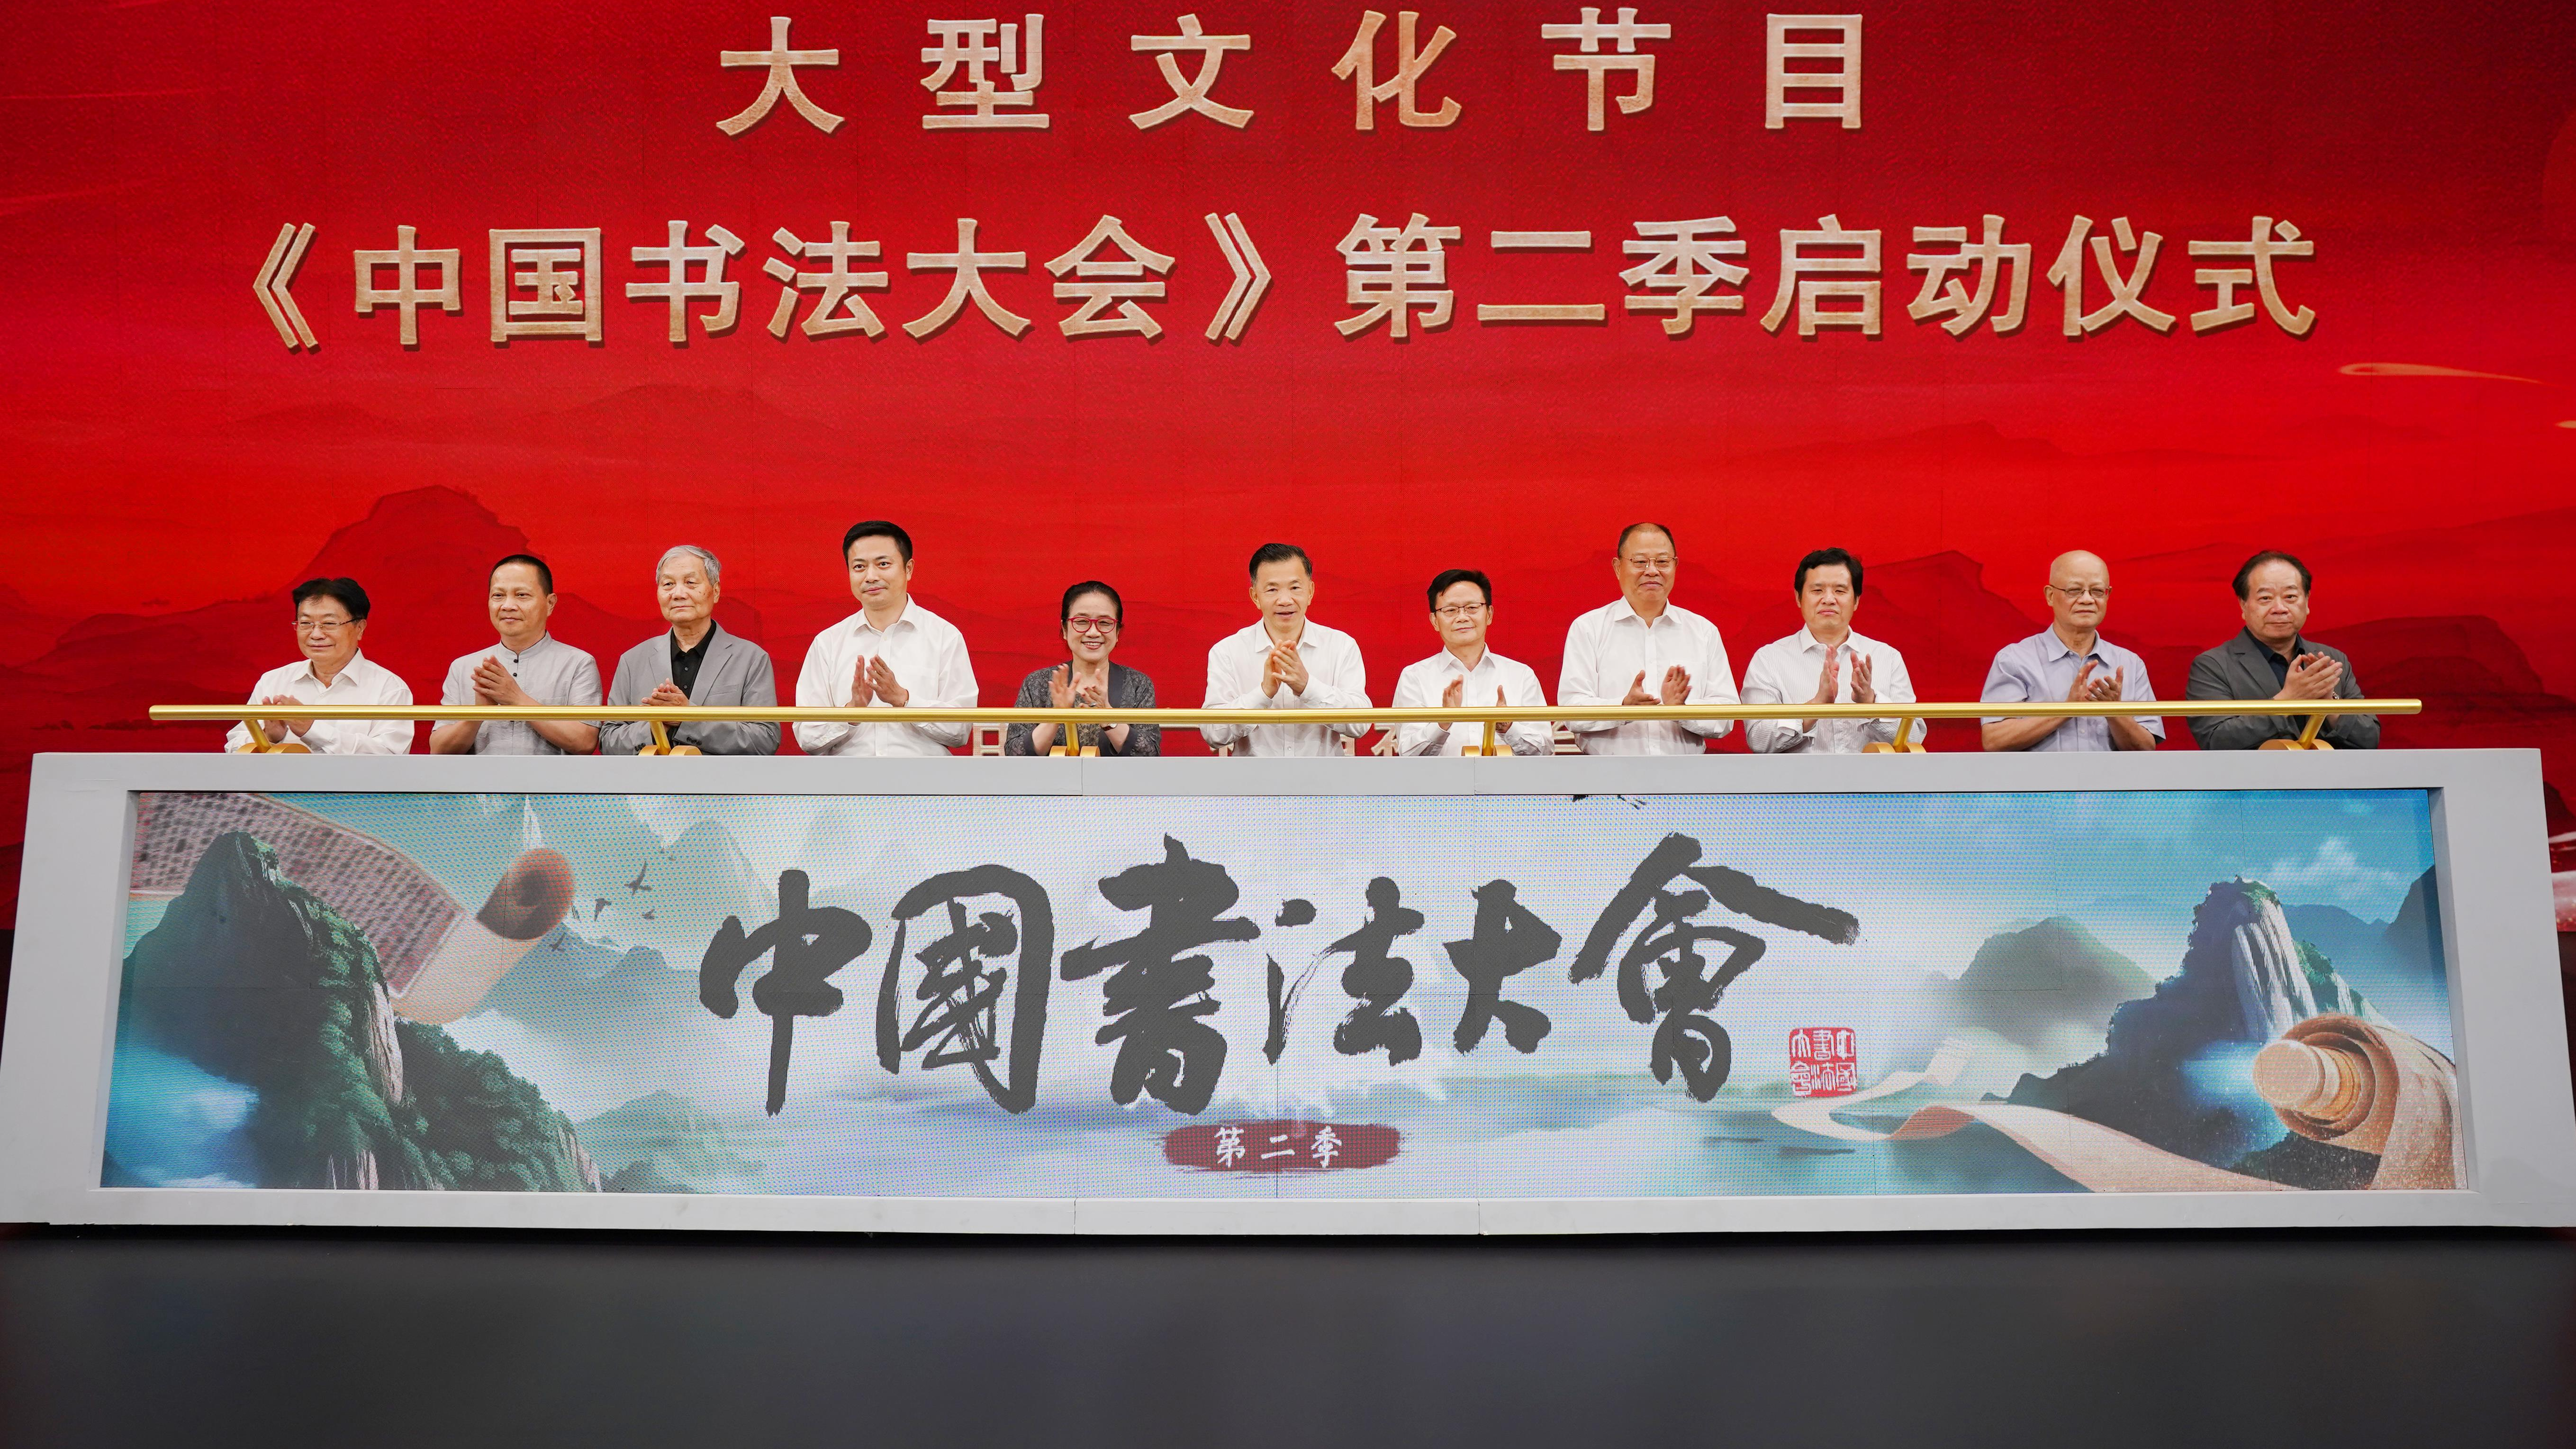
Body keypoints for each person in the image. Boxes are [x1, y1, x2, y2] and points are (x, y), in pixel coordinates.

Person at [794, 521, 978, 758]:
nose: (871, 577)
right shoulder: (828, 643)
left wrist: (904, 700)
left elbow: (960, 730)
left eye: (883, 564)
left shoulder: (944, 637)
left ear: (908, 569)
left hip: (925, 787)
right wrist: (852, 712)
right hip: (845, 789)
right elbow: (808, 737)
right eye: (859, 567)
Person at [1557, 522, 1740, 754]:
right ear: (1617, 567)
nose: (1652, 571)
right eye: (1640, 562)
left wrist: (1682, 709)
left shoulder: (1703, 632)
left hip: (1685, 781)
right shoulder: (1588, 629)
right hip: (1607, 781)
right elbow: (1572, 712)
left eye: (1663, 562)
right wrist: (1624, 708)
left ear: (1675, 566)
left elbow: (1727, 717)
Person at [2186, 550, 2379, 750]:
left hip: (2333, 779)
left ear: (2307, 601)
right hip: (2252, 779)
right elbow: (2216, 740)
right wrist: (2286, 700)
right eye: (2266, 598)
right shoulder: (2213, 665)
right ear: (2243, 605)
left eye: (2290, 596)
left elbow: (2369, 738)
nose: (2280, 608)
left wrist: (2330, 704)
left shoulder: (2332, 660)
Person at [600, 545, 779, 755]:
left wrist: (688, 719)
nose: (678, 594)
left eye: (690, 583)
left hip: (722, 785)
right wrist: (656, 725)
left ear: (716, 591)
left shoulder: (751, 659)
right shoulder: (633, 660)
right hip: (647, 785)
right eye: (668, 584)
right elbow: (608, 740)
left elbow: (765, 739)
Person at [1740, 548, 1918, 753]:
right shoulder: (1769, 660)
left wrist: (1871, 704)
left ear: (1857, 600)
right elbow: (1759, 740)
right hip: (1796, 784)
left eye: (1840, 591)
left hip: (1871, 783)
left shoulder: (1886, 657)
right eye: (1817, 591)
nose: (1829, 599)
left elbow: (1915, 738)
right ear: (1799, 598)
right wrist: (1816, 706)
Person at [1981, 550, 2162, 752]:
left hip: (2109, 783)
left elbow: (2147, 749)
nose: (2087, 600)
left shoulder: (2129, 664)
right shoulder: (2015, 660)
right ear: (2050, 596)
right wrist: (2067, 709)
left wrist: (2115, 712)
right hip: (2041, 783)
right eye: (2075, 591)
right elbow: (1994, 740)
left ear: (2108, 595)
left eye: (2097, 591)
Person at [1201, 543, 1370, 756]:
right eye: (1272, 590)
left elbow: (1361, 724)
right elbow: (1213, 733)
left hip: (1324, 786)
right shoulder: (1227, 651)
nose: (1285, 600)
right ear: (1255, 597)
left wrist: (1308, 687)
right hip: (1253, 787)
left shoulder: (1341, 646)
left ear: (1311, 591)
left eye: (1295, 588)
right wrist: (1263, 694)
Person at [429, 554, 602, 755]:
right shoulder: (464, 667)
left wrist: (517, 700)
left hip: (550, 785)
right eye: (498, 596)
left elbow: (585, 742)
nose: (507, 606)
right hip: (479, 785)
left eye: (521, 595)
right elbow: (439, 750)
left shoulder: (578, 663)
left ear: (550, 604)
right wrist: (477, 714)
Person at [225, 577, 415, 753]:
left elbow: (389, 757)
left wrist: (311, 728)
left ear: (360, 628)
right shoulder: (274, 681)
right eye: (306, 623)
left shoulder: (389, 688)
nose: (316, 634)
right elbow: (233, 747)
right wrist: (269, 738)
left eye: (329, 623)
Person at [1389, 569, 1549, 756]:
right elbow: (1408, 755)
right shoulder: (1414, 677)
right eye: (1450, 610)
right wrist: (1442, 722)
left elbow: (1545, 751)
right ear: (1434, 621)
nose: (1463, 617)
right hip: (1439, 784)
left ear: (1489, 614)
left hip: (1507, 784)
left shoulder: (1521, 675)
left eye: (1472, 608)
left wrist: (1508, 727)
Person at [1005, 581, 1160, 756]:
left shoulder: (1138, 684)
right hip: (1049, 783)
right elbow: (1015, 754)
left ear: (1117, 632)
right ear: (1065, 629)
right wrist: (1057, 716)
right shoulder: (1037, 683)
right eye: (1081, 621)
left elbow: (1149, 754)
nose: (1093, 632)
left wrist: (1107, 717)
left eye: (1105, 623)